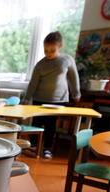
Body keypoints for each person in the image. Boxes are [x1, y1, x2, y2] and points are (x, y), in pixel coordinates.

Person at [23, 31, 81, 159]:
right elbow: (33, 83)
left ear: (60, 47)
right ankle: (33, 146)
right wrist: (27, 98)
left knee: (50, 125)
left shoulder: (67, 60)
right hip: (39, 99)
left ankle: (47, 148)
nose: (48, 53)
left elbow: (73, 78)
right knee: (36, 124)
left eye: (52, 50)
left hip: (58, 101)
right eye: (46, 50)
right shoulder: (40, 64)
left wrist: (76, 94)